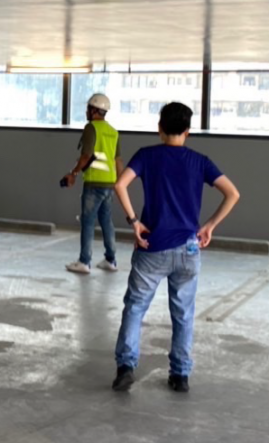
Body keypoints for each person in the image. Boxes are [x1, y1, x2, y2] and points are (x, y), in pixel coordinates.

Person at [111, 101, 240, 394]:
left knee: (135, 307)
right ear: (187, 131)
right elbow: (233, 193)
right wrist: (209, 226)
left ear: (159, 128)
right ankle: (180, 374)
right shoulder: (200, 161)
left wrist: (134, 221)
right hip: (188, 249)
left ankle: (125, 368)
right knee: (183, 313)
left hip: (152, 246)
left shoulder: (146, 156)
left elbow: (120, 185)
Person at [63, 92, 123, 275]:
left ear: (95, 110)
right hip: (109, 183)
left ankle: (84, 261)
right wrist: (120, 183)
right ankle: (111, 260)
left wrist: (73, 173)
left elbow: (86, 155)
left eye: (88, 108)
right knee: (106, 221)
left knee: (88, 222)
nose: (86, 112)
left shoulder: (91, 128)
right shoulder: (113, 132)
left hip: (94, 182)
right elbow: (118, 160)